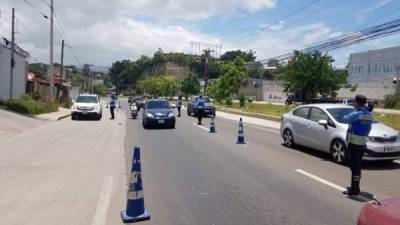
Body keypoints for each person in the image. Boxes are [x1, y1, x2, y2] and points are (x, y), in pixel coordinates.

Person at [342, 94, 373, 196]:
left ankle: (354, 189)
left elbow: (344, 119)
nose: (353, 103)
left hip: (354, 143)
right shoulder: (369, 114)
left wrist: (353, 111)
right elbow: (368, 129)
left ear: (357, 102)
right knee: (357, 166)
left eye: (354, 101)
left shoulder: (357, 114)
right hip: (362, 143)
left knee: (355, 167)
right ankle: (354, 186)